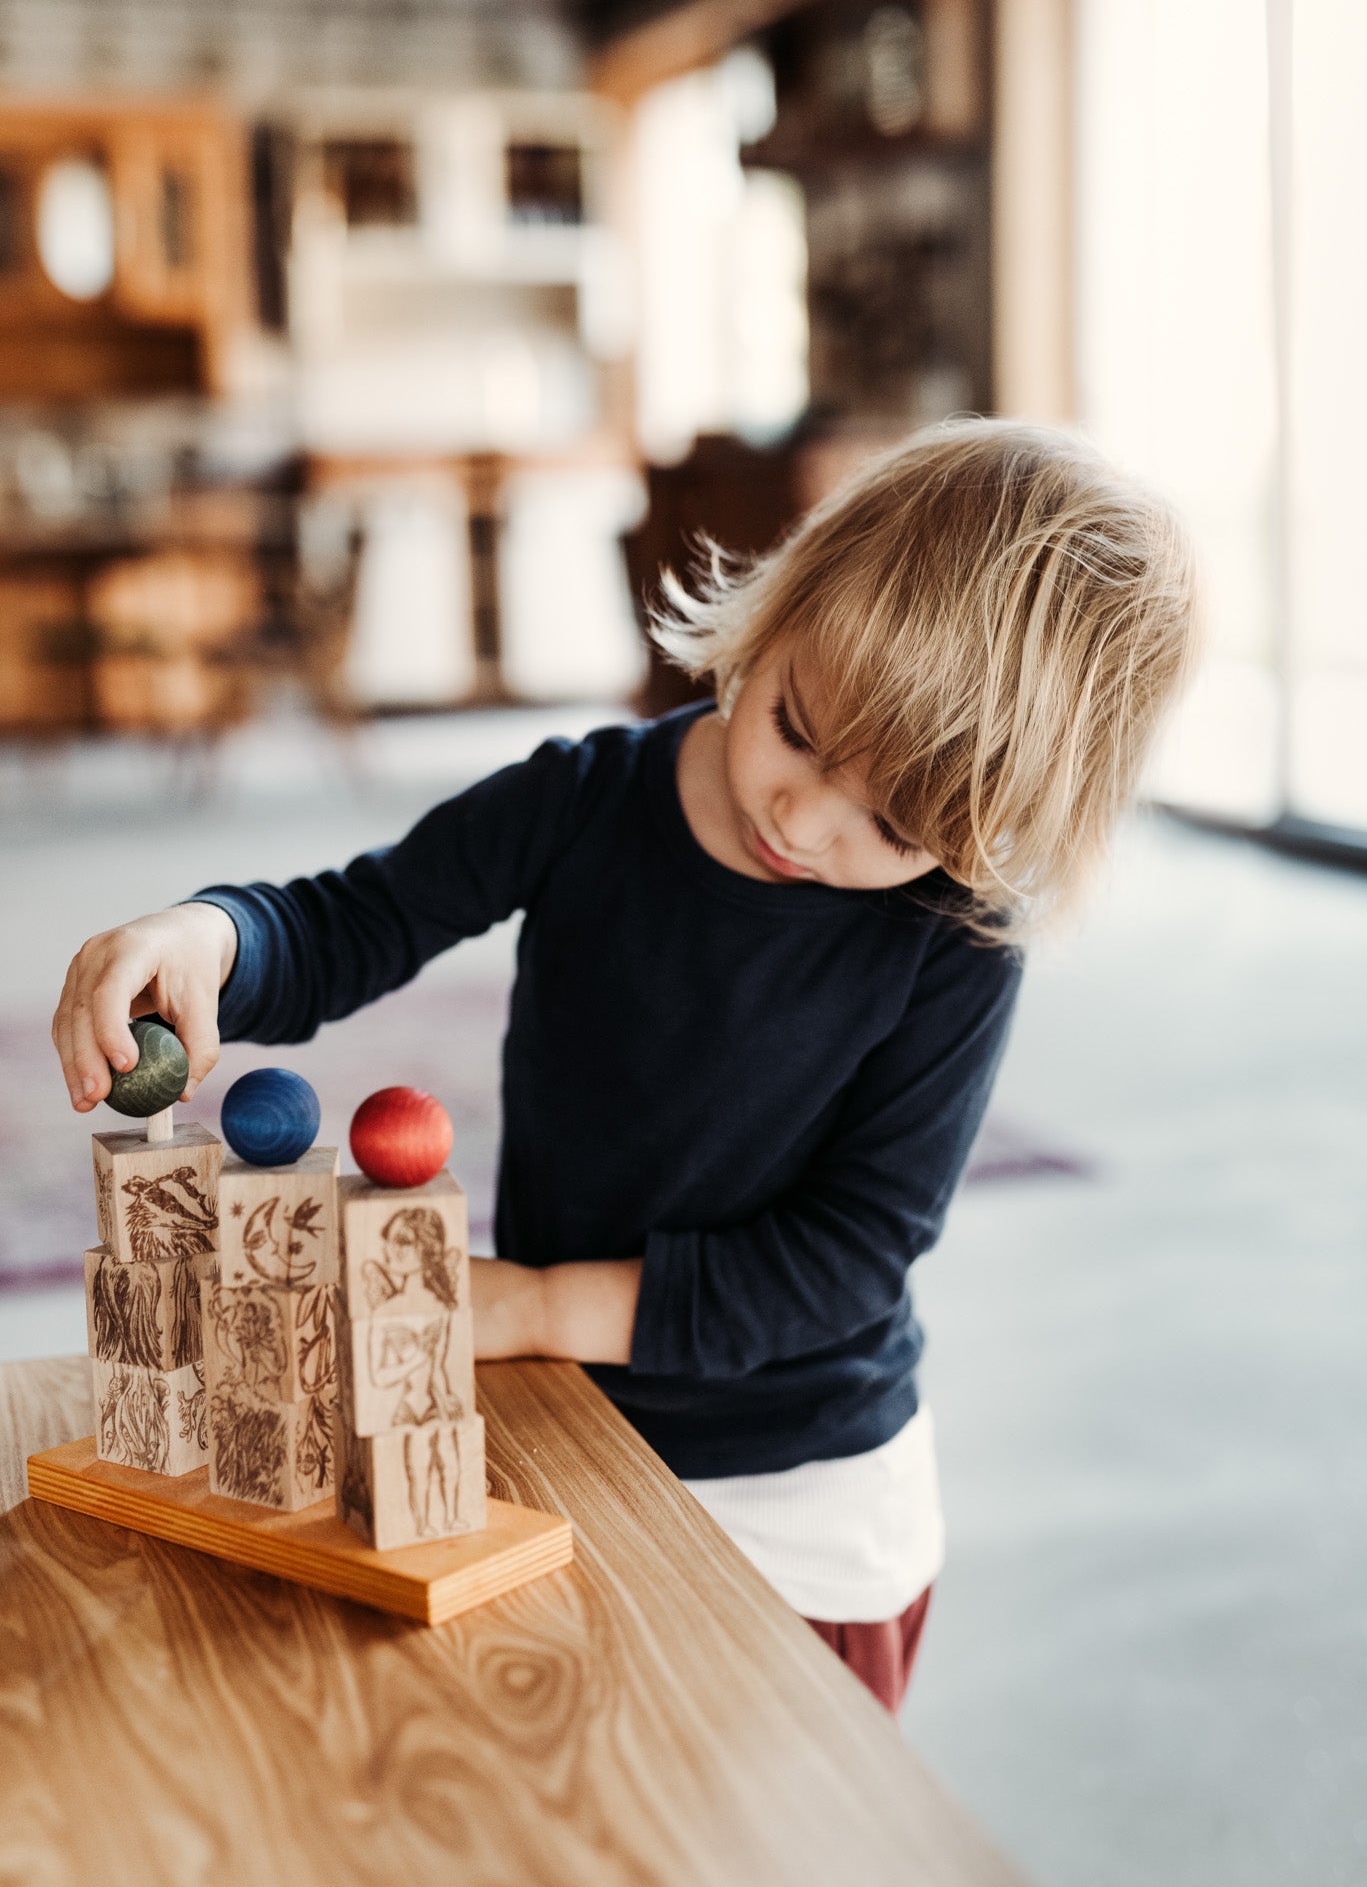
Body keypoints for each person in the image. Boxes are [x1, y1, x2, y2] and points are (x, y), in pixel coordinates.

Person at [52, 419, 1199, 1715]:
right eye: (799, 729)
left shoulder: (957, 940)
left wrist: (536, 1307)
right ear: (781, 610)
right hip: (568, 1423)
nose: (804, 820)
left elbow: (843, 1261)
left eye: (895, 822)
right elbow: (356, 920)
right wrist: (211, 933)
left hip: (797, 1486)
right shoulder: (586, 796)